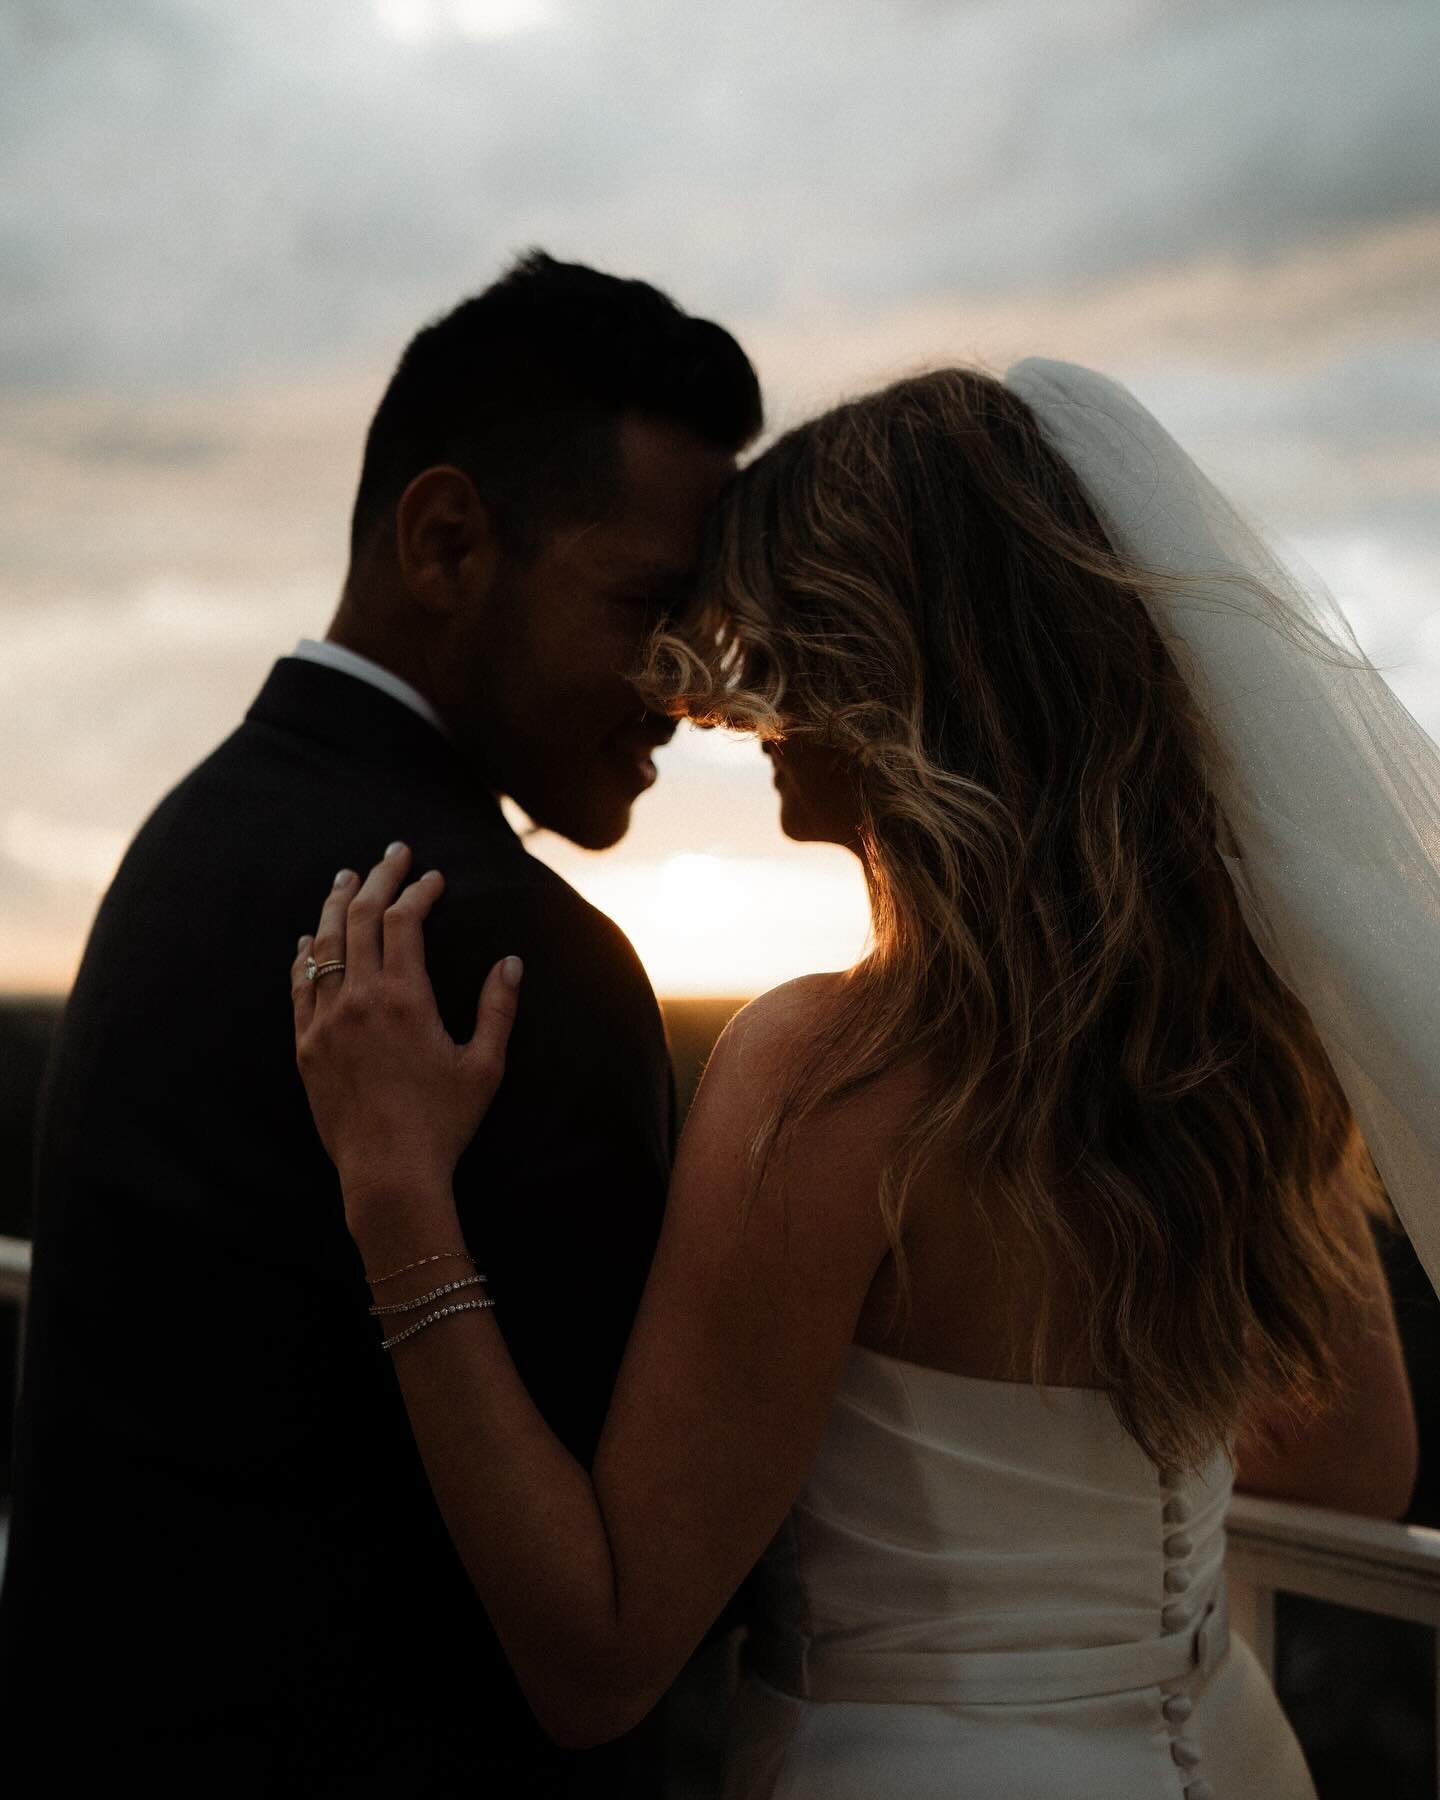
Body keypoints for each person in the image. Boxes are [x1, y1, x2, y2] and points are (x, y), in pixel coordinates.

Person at [288, 361, 1424, 1799]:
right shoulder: (1242, 1029)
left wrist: (394, 1195)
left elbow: (601, 1657)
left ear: (887, 668)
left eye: (769, 646)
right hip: (1236, 1753)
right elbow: (1359, 1467)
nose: (725, 697)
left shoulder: (830, 1077)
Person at [0, 253, 762, 1791]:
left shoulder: (188, 837)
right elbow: (640, 1590)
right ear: (448, 541)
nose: (686, 694)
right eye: (647, 608)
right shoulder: (508, 960)